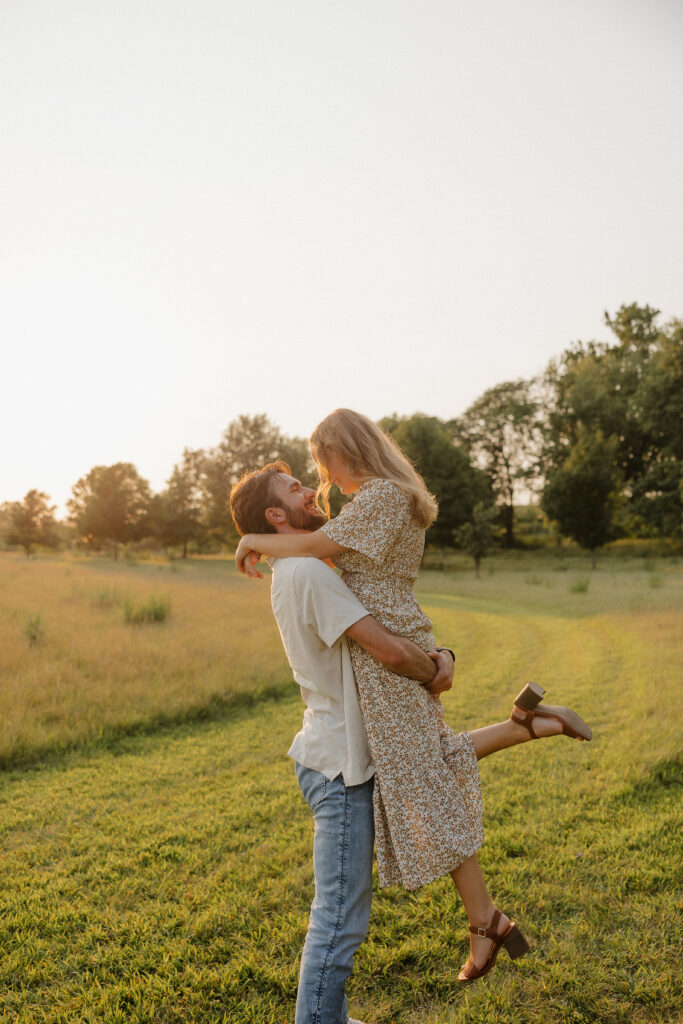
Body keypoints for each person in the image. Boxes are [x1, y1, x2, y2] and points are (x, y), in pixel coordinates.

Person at [234, 412, 592, 984]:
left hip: (389, 658)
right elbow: (321, 552)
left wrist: (253, 538)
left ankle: (486, 922)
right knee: (426, 762)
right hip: (398, 637)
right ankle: (528, 727)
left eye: (319, 462)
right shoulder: (389, 496)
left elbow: (319, 544)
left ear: (341, 451)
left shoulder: (376, 498)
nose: (317, 476)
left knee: (421, 779)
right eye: (303, 480)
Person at [230, 461, 456, 1024]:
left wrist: (441, 654)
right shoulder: (306, 573)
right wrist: (439, 669)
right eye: (295, 489)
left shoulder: (309, 564)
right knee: (338, 917)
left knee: (343, 911)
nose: (311, 489)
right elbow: (387, 650)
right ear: (276, 515)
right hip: (338, 766)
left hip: (343, 754)